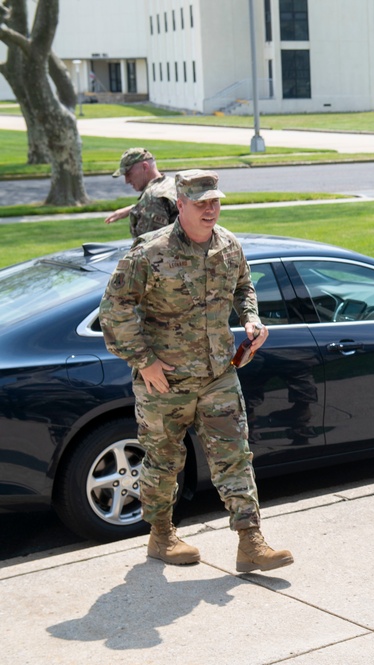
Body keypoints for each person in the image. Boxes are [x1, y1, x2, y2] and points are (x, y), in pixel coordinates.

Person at [99, 169, 293, 573]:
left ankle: (249, 540)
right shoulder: (148, 253)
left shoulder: (229, 246)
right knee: (164, 461)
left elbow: (244, 287)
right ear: (180, 205)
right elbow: (114, 311)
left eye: (215, 202)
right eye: (201, 203)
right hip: (165, 381)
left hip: (218, 372)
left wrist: (251, 320)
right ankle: (162, 535)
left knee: (235, 456)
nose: (211, 210)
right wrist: (144, 361)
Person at [104, 147, 178, 238]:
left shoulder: (152, 197)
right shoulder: (173, 183)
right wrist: (135, 208)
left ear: (145, 167)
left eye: (129, 174)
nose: (127, 181)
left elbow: (150, 246)